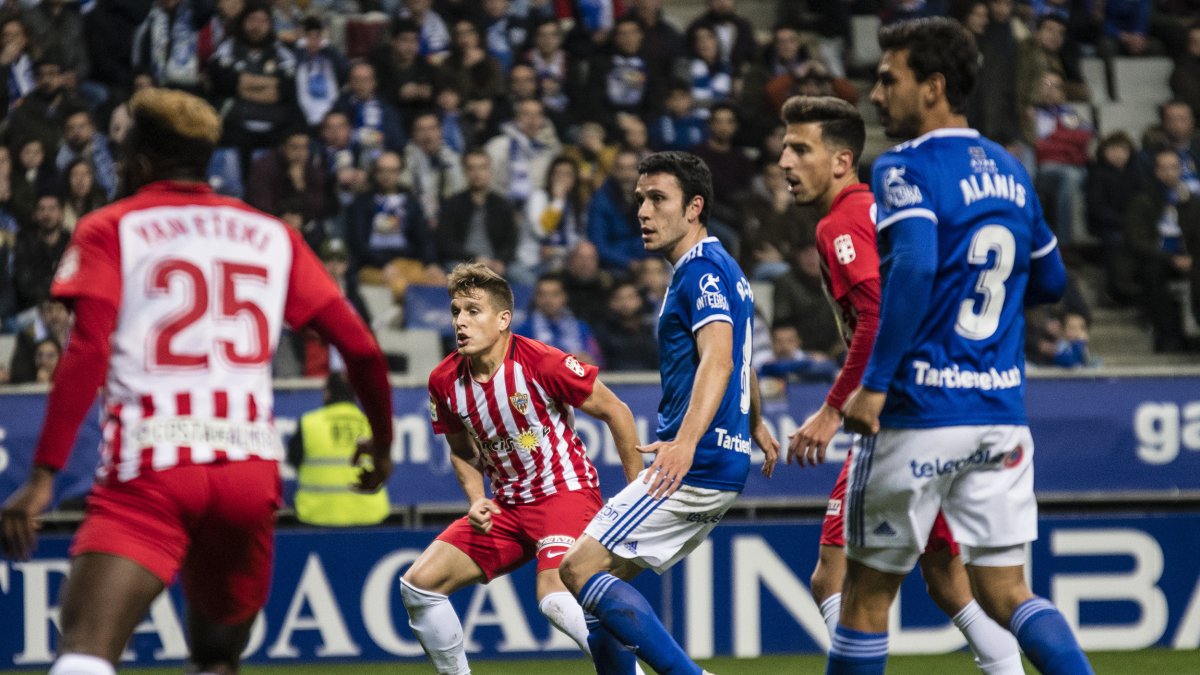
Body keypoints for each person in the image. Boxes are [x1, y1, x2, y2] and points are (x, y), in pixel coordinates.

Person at [0, 88, 395, 675]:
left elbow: (86, 350)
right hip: (248, 468)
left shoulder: (111, 227)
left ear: (140, 160)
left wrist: (42, 478)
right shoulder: (272, 235)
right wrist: (381, 444)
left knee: (85, 652)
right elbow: (361, 348)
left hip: (153, 461)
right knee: (216, 659)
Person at [830, 18, 1092, 674]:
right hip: (999, 413)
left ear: (934, 86)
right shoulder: (1011, 169)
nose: (876, 93)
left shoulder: (903, 166)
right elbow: (1052, 280)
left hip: (919, 411)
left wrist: (875, 384)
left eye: (889, 79)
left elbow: (917, 264)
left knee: (865, 595)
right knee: (1007, 591)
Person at [777, 95, 1023, 674]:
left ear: (842, 160)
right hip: (944, 402)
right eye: (785, 148)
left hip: (899, 418)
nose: (785, 161)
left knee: (835, 579)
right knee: (948, 580)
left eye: (800, 149)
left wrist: (832, 410)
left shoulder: (842, 223)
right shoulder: (878, 209)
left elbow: (874, 317)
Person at [558, 151, 779, 675]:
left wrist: (685, 442)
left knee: (577, 568)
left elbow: (720, 358)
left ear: (694, 207)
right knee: (601, 595)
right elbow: (739, 356)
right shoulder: (724, 268)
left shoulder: (699, 271)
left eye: (658, 199)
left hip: (695, 462)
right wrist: (756, 421)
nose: (643, 212)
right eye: (640, 199)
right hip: (719, 459)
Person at [404, 262, 645, 675]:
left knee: (554, 597)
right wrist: (476, 499)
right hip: (508, 507)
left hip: (564, 491)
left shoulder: (541, 362)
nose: (460, 322)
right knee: (418, 586)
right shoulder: (444, 381)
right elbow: (461, 451)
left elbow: (616, 411)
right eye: (456, 312)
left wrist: (636, 493)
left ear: (503, 320)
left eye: (473, 311)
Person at [287, 372, 390, 527]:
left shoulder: (309, 423)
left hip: (317, 517)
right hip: (369, 515)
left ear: (327, 393)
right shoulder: (372, 423)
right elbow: (385, 462)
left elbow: (293, 460)